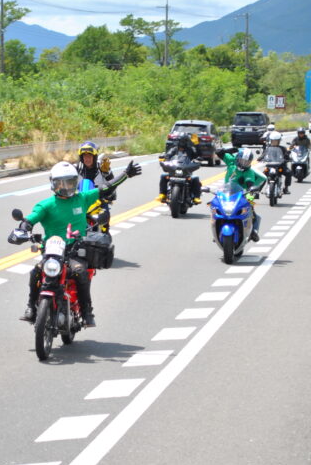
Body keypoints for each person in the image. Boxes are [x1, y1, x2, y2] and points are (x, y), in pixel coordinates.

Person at [13, 159, 141, 327]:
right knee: (35, 272)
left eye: (70, 183)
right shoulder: (46, 205)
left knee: (80, 272)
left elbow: (106, 187)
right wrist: (22, 229)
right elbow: (29, 220)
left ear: (76, 183)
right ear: (53, 184)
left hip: (75, 250)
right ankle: (31, 308)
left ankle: (87, 311)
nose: (66, 187)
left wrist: (125, 174)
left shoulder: (82, 198)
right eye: (61, 183)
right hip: (53, 252)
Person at [215, 146, 266, 241]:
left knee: (251, 209)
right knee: (217, 207)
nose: (243, 164)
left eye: (246, 162)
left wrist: (252, 189)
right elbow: (218, 152)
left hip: (245, 194)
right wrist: (228, 150)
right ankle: (217, 227)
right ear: (237, 158)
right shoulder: (231, 162)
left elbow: (250, 183)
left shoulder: (249, 172)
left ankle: (253, 231)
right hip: (227, 191)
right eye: (242, 161)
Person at [157, 133, 203, 204]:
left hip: (186, 171)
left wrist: (197, 144)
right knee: (163, 176)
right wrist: (164, 159)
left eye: (184, 141)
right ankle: (163, 194)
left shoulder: (190, 150)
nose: (182, 143)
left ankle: (196, 197)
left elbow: (198, 155)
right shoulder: (174, 149)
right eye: (181, 140)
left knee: (195, 178)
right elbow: (167, 155)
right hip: (174, 171)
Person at [260, 130, 292, 194]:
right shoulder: (268, 148)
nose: (274, 142)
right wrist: (260, 158)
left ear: (279, 141)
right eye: (273, 141)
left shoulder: (283, 148)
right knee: (262, 176)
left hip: (280, 166)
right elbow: (263, 155)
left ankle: (286, 188)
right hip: (270, 166)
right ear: (270, 141)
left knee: (289, 173)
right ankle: (258, 190)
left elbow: (286, 156)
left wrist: (288, 158)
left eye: (276, 141)